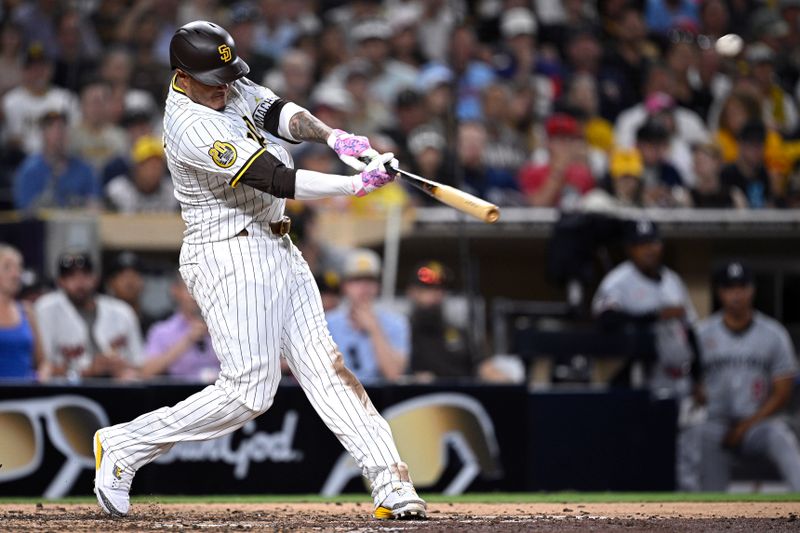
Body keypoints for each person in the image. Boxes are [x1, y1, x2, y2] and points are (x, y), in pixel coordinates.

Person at [93, 21, 426, 521]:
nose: (225, 86)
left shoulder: (222, 81)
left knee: (326, 366)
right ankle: (125, 444)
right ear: (182, 77)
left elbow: (276, 111)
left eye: (228, 74)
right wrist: (353, 186)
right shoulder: (190, 125)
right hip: (227, 252)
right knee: (249, 391)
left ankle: (391, 482)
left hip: (276, 244)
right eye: (212, 79)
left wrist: (334, 137)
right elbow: (274, 178)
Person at [592, 219, 701, 490]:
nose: (649, 250)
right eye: (641, 245)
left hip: (682, 379)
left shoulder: (672, 280)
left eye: (653, 242)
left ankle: (689, 515)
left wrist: (700, 378)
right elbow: (606, 320)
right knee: (644, 447)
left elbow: (692, 331)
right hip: (643, 378)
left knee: (687, 451)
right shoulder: (619, 280)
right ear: (630, 249)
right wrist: (653, 315)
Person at [697, 261, 800, 491]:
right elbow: (690, 382)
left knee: (781, 435)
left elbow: (783, 391)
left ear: (752, 290)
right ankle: (695, 516)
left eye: (742, 287)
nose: (736, 294)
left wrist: (746, 426)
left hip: (757, 423)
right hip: (715, 425)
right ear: (720, 292)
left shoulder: (774, 334)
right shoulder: (702, 334)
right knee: (696, 437)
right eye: (729, 288)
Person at [34, 250, 142, 382]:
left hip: (117, 388)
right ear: (60, 281)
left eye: (85, 274)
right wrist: (87, 370)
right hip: (69, 392)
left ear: (95, 278)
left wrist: (122, 367)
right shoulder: (46, 308)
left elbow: (140, 363)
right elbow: (43, 367)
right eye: (71, 276)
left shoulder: (121, 311)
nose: (79, 282)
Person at [326, 248, 410, 383]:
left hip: (381, 400)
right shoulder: (326, 323)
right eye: (357, 280)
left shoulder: (396, 323)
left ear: (378, 286)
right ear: (344, 286)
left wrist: (374, 329)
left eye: (370, 280)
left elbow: (394, 374)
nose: (364, 287)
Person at [13, 110, 99, 210]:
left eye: (62, 127)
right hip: (43, 224)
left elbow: (96, 203)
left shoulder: (84, 168)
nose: (59, 133)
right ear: (42, 134)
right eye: (52, 127)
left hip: (78, 223)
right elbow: (25, 210)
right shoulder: (30, 170)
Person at [139, 275, 218, 382]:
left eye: (203, 288)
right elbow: (146, 373)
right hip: (180, 394)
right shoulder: (161, 331)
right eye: (191, 288)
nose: (197, 294)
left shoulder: (225, 327)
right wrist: (188, 340)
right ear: (176, 291)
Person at [406, 260, 477, 380]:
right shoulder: (402, 332)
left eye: (440, 289)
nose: (435, 294)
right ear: (412, 292)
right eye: (427, 288)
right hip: (418, 396)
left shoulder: (459, 333)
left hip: (460, 395)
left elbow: (479, 365)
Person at [0, 244, 46, 381]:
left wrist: (43, 376)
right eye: (7, 267)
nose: (16, 274)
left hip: (24, 396)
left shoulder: (27, 311)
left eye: (19, 267)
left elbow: (42, 361)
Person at [105, 135, 178, 213]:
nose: (154, 170)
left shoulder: (173, 192)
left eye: (157, 164)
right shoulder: (117, 191)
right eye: (147, 164)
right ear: (135, 167)